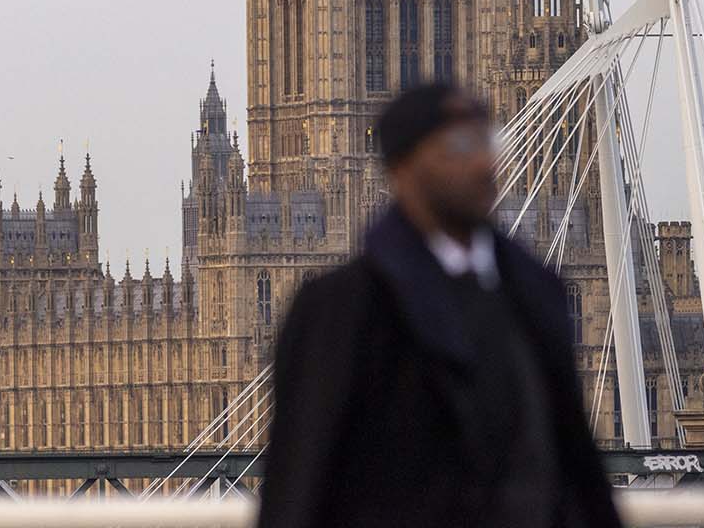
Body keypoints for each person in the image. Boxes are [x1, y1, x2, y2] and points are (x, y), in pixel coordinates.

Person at [258, 83, 621, 528]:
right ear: (403, 168)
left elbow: (579, 469)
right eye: (460, 146)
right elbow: (297, 487)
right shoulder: (336, 310)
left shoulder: (537, 292)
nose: (484, 162)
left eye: (487, 141)